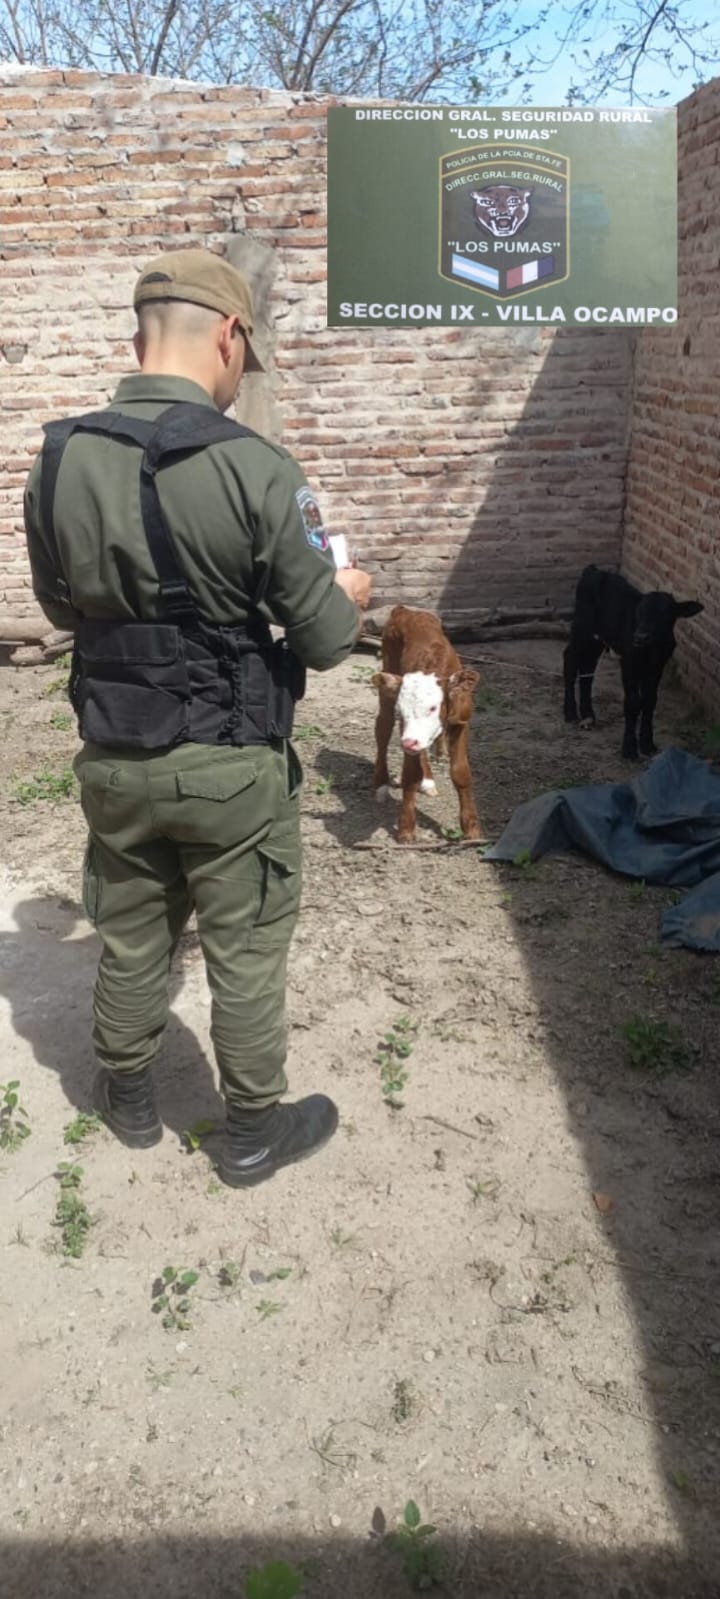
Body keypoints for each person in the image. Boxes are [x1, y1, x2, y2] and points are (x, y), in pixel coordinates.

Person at [23, 247, 371, 1188]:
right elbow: (328, 639)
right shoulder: (258, 469)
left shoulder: (56, 458)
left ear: (140, 334)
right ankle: (253, 1131)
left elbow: (63, 612)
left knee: (133, 931)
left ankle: (128, 1098)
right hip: (230, 767)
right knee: (245, 946)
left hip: (114, 754)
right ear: (227, 335)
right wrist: (349, 588)